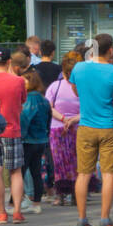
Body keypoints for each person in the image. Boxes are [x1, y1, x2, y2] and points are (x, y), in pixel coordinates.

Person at [69, 34, 113, 226]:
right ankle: (105, 219)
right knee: (108, 174)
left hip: (86, 125)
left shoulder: (78, 68)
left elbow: (75, 91)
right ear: (110, 50)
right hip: (109, 125)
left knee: (83, 173)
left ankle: (82, 219)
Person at [0, 48, 29, 224]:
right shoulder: (18, 81)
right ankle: (17, 211)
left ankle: (1, 212)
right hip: (12, 129)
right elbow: (22, 100)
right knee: (15, 171)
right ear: (9, 61)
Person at [45, 52, 82, 206]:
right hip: (77, 128)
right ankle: (74, 194)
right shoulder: (81, 87)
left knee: (59, 162)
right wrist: (73, 119)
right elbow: (88, 108)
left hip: (57, 128)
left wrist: (62, 118)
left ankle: (61, 195)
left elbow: (49, 107)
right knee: (76, 162)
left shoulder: (55, 86)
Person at [19, 68, 51, 211]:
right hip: (41, 139)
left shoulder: (29, 99)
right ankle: (36, 204)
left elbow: (25, 119)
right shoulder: (43, 99)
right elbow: (49, 118)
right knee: (36, 172)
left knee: (19, 172)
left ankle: (15, 202)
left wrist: (21, 135)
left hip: (29, 140)